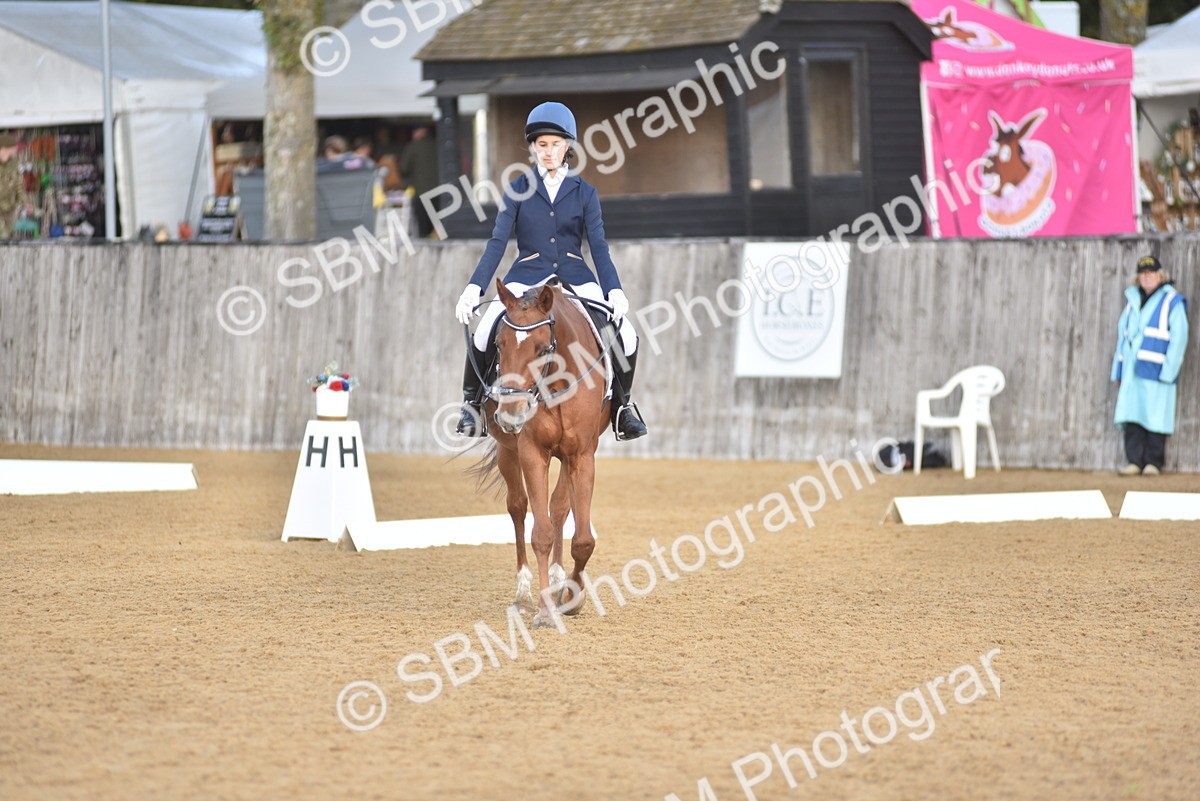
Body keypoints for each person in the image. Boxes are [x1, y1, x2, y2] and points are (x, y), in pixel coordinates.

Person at [452, 101, 647, 441]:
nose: (549, 151)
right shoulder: (517, 189)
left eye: (556, 144)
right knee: (484, 331)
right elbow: (498, 241)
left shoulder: (585, 193)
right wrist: (474, 287)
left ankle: (622, 409)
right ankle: (471, 405)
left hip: (575, 278)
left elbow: (598, 245)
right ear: (532, 147)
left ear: (567, 146)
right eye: (542, 144)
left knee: (627, 335)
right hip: (526, 277)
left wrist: (613, 288)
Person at [1110, 255, 1189, 475]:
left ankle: (1153, 463)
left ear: (1159, 275)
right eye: (1143, 274)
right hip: (1131, 369)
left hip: (1156, 368)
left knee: (1155, 415)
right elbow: (1122, 337)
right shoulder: (1132, 300)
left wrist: (1169, 371)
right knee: (1132, 414)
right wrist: (1118, 369)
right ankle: (1134, 461)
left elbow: (1179, 338)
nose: (1147, 278)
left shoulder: (1172, 301)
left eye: (1151, 273)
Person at [398, 126, 439, 238]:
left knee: (423, 225)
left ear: (417, 134)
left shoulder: (413, 147)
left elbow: (404, 168)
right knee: (438, 222)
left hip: (421, 192)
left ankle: (426, 244)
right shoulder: (438, 145)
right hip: (440, 191)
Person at [0, 133, 24, 239]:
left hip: (9, 206)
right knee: (3, 234)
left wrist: (25, 201)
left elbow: (18, 185)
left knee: (7, 234)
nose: (14, 153)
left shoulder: (13, 165)